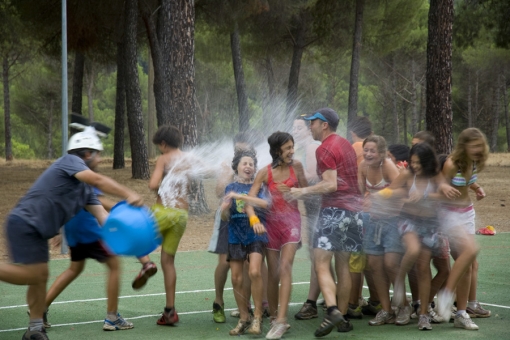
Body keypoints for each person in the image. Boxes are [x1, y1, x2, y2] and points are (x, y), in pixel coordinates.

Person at [0, 127, 143, 340]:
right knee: (35, 275)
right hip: (25, 223)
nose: (100, 159)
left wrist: (130, 234)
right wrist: (128, 193)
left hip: (38, 231)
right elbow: (98, 181)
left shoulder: (84, 191)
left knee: (40, 278)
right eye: (98, 154)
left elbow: (103, 218)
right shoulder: (70, 161)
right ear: (87, 154)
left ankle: (35, 329)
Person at [290, 108, 363, 337]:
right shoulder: (344, 144)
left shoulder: (324, 148)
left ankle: (331, 309)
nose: (310, 126)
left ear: (324, 125)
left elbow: (330, 185)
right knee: (342, 267)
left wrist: (302, 191)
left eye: (313, 123)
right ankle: (342, 318)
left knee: (320, 262)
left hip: (334, 211)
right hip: (354, 213)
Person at [246, 131, 308, 340]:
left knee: (285, 266)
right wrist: (254, 220)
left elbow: (306, 191)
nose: (292, 151)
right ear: (276, 151)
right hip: (271, 225)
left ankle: (282, 321)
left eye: (293, 147)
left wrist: (294, 193)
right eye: (288, 148)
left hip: (291, 222)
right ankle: (273, 318)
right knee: (272, 273)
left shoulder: (297, 167)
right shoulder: (264, 173)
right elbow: (250, 201)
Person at [44, 189, 133, 331]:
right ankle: (112, 318)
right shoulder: (86, 173)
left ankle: (41, 308)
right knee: (114, 265)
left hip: (73, 228)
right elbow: (99, 201)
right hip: (89, 229)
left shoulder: (69, 173)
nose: (98, 164)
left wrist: (62, 230)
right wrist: (126, 209)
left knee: (75, 268)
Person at [383, 143, 448, 330]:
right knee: (413, 249)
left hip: (430, 224)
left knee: (423, 267)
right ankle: (399, 282)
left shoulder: (434, 174)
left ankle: (423, 314)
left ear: (427, 162)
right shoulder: (406, 174)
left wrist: (427, 196)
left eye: (418, 163)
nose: (415, 166)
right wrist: (405, 198)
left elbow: (442, 192)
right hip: (408, 220)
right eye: (412, 162)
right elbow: (391, 194)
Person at [210, 131, 269, 322]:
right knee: (226, 266)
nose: (248, 165)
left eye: (250, 162)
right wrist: (229, 177)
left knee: (252, 269)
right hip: (231, 226)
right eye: (243, 158)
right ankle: (221, 303)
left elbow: (263, 203)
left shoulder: (257, 182)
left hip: (252, 231)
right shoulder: (229, 173)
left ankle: (253, 308)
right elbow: (221, 194)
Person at [438, 128, 490, 330]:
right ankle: (446, 295)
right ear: (464, 146)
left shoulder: (473, 162)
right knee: (470, 250)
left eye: (480, 145)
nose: (478, 149)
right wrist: (443, 188)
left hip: (467, 213)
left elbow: (469, 181)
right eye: (474, 145)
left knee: (468, 264)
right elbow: (439, 183)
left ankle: (461, 314)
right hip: (448, 214)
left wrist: (477, 188)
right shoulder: (451, 163)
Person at [357, 135, 403, 326]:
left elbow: (404, 190)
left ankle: (403, 305)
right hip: (374, 221)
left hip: (393, 220)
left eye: (372, 151)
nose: (368, 154)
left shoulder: (388, 167)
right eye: (366, 150)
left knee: (391, 264)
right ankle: (386, 310)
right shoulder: (362, 166)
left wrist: (382, 195)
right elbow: (361, 194)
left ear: (381, 153)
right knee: (374, 265)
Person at [149, 125, 193, 326]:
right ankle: (170, 311)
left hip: (164, 212)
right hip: (181, 216)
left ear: (164, 144)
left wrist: (165, 179)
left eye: (159, 146)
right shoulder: (189, 157)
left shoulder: (164, 158)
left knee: (135, 238)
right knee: (168, 260)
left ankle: (144, 264)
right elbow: (209, 170)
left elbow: (152, 184)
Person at [292, 117, 324, 320]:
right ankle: (329, 294)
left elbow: (312, 176)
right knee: (317, 254)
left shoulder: (312, 147)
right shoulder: (301, 149)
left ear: (308, 129)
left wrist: (293, 181)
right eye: (293, 127)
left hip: (319, 205)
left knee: (317, 254)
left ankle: (312, 302)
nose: (295, 131)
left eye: (299, 127)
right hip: (311, 206)